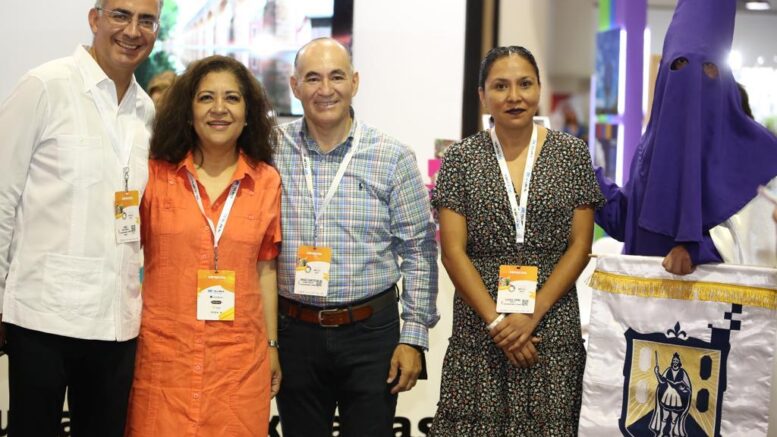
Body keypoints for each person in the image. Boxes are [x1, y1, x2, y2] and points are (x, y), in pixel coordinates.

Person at [0, 1, 161, 435]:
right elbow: (2, 197)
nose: (133, 30)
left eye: (146, 20)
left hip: (116, 323)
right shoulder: (45, 86)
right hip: (42, 318)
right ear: (94, 19)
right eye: (120, 15)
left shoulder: (146, 111)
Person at [430, 46, 604, 435]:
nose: (514, 96)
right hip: (481, 328)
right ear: (482, 95)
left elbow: (580, 246)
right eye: (500, 86)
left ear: (539, 88)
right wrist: (497, 323)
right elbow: (453, 252)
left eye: (525, 84)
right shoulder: (460, 159)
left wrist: (532, 314)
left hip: (551, 325)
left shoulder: (571, 154)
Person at [273, 37, 439, 436]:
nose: (325, 89)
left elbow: (418, 251)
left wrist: (413, 338)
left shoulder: (392, 156)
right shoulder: (270, 149)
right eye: (312, 78)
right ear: (295, 86)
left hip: (370, 333)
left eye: (336, 76)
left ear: (355, 82)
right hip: (294, 332)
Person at [124, 55, 281, 436]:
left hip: (239, 365)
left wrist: (272, 345)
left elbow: (265, 269)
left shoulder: (266, 181)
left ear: (248, 114)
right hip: (164, 362)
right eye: (206, 98)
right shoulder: (154, 176)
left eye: (232, 98)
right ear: (188, 111)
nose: (219, 108)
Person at [594, 0, 777, 274]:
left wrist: (700, 251)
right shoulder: (652, 149)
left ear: (725, 76)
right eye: (679, 64)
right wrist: (581, 172)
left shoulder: (763, 155)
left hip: (720, 298)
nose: (692, 79)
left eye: (708, 67)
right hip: (643, 296)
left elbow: (762, 237)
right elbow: (626, 222)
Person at [650, 353, 692, 437]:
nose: (675, 362)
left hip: (677, 399)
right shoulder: (668, 370)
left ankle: (671, 433)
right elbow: (661, 381)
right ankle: (661, 433)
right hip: (667, 397)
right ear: (672, 361)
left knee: (674, 419)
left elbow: (688, 387)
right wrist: (657, 373)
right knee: (664, 417)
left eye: (676, 361)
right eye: (674, 360)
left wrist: (683, 388)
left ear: (679, 362)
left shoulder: (683, 372)